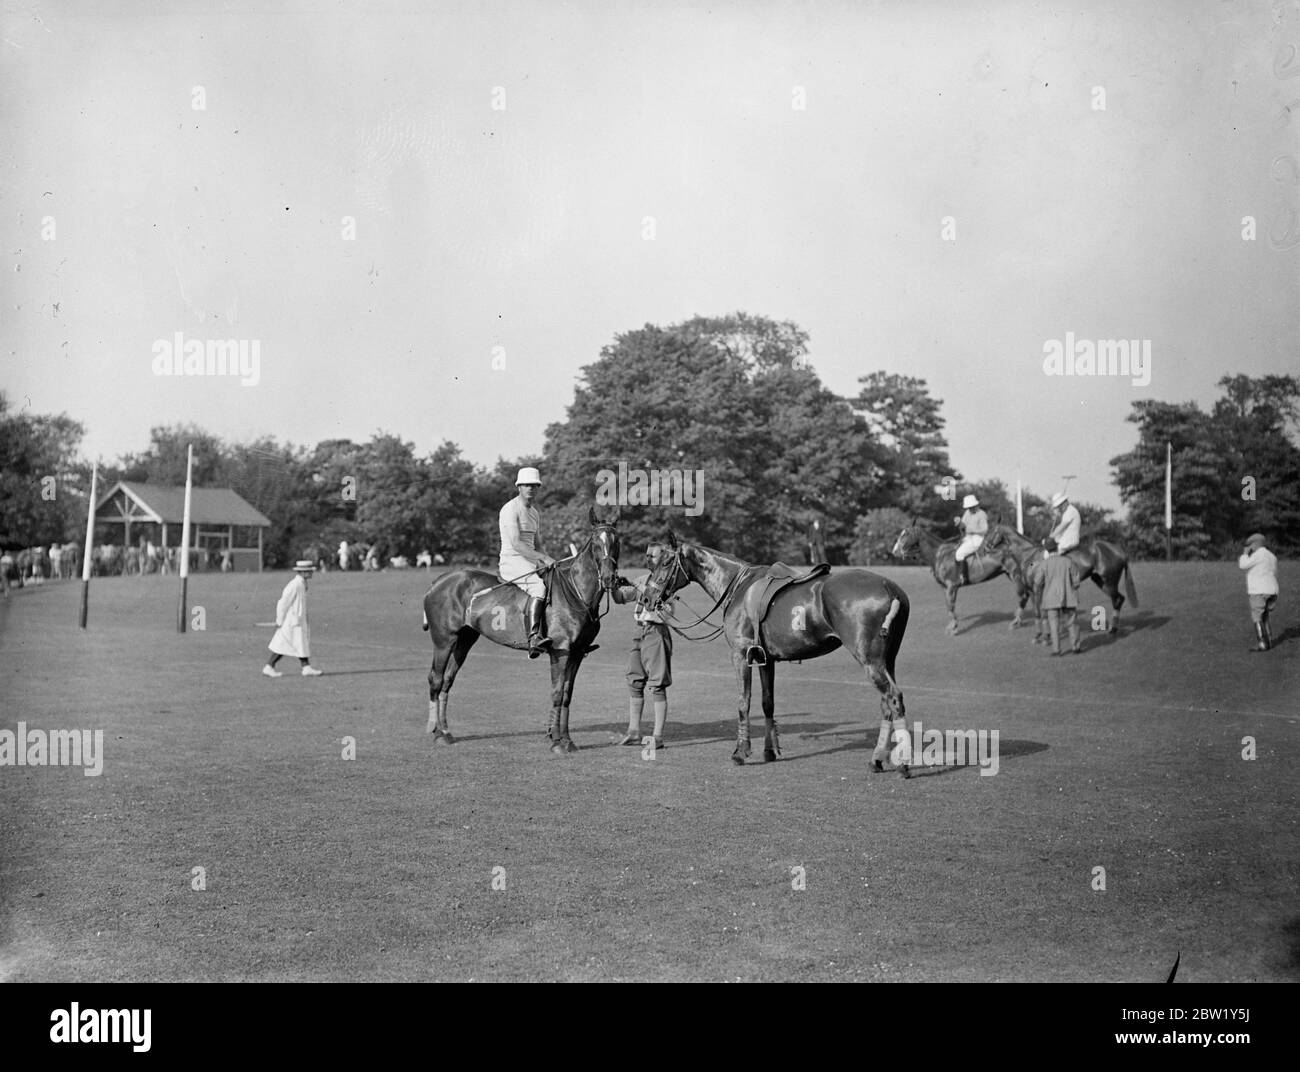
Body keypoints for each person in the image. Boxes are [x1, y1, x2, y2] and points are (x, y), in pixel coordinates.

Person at [610, 560, 674, 750]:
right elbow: (620, 598)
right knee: (634, 680)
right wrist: (613, 587)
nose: (649, 560)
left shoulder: (667, 584)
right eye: (647, 555)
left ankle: (658, 736)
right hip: (639, 631)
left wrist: (638, 585)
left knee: (657, 684)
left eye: (653, 556)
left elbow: (667, 611)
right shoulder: (642, 579)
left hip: (656, 632)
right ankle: (634, 732)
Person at [499, 467, 555, 658]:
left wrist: (548, 560)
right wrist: (542, 558)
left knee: (556, 582)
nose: (531, 488)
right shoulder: (510, 509)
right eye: (526, 485)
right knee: (539, 588)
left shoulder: (535, 513)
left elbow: (538, 544)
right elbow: (516, 543)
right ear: (519, 487)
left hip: (529, 561)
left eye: (534, 485)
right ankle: (533, 638)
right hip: (511, 561)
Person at [263, 560, 323, 677]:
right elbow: (283, 603)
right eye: (309, 571)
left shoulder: (302, 583)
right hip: (292, 622)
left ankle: (306, 667)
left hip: (298, 621)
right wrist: (279, 620)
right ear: (303, 572)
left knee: (300, 644)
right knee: (283, 644)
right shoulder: (294, 585)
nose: (311, 573)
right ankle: (269, 666)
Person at [1038, 537, 1082, 655]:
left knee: (1053, 625)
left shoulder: (1043, 563)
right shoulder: (1068, 561)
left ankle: (1057, 650)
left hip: (1051, 598)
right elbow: (1076, 579)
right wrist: (1075, 586)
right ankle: (1075, 647)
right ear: (1057, 547)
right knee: (1072, 623)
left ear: (1046, 550)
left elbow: (1037, 581)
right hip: (1069, 596)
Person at [1238, 532, 1278, 652]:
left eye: (1250, 545)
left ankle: (1262, 643)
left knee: (1257, 616)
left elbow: (1243, 565)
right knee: (1265, 616)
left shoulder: (1258, 555)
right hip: (1272, 590)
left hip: (1259, 590)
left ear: (1255, 544)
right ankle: (1269, 641)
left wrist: (1245, 554)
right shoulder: (1272, 556)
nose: (1250, 547)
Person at [953, 494, 988, 585]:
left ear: (975, 505)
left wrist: (972, 530)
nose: (970, 509)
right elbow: (963, 525)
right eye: (968, 507)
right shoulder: (967, 513)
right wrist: (959, 522)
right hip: (968, 537)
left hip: (978, 538)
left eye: (971, 507)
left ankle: (962, 577)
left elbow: (984, 529)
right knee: (953, 549)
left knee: (959, 553)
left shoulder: (981, 514)